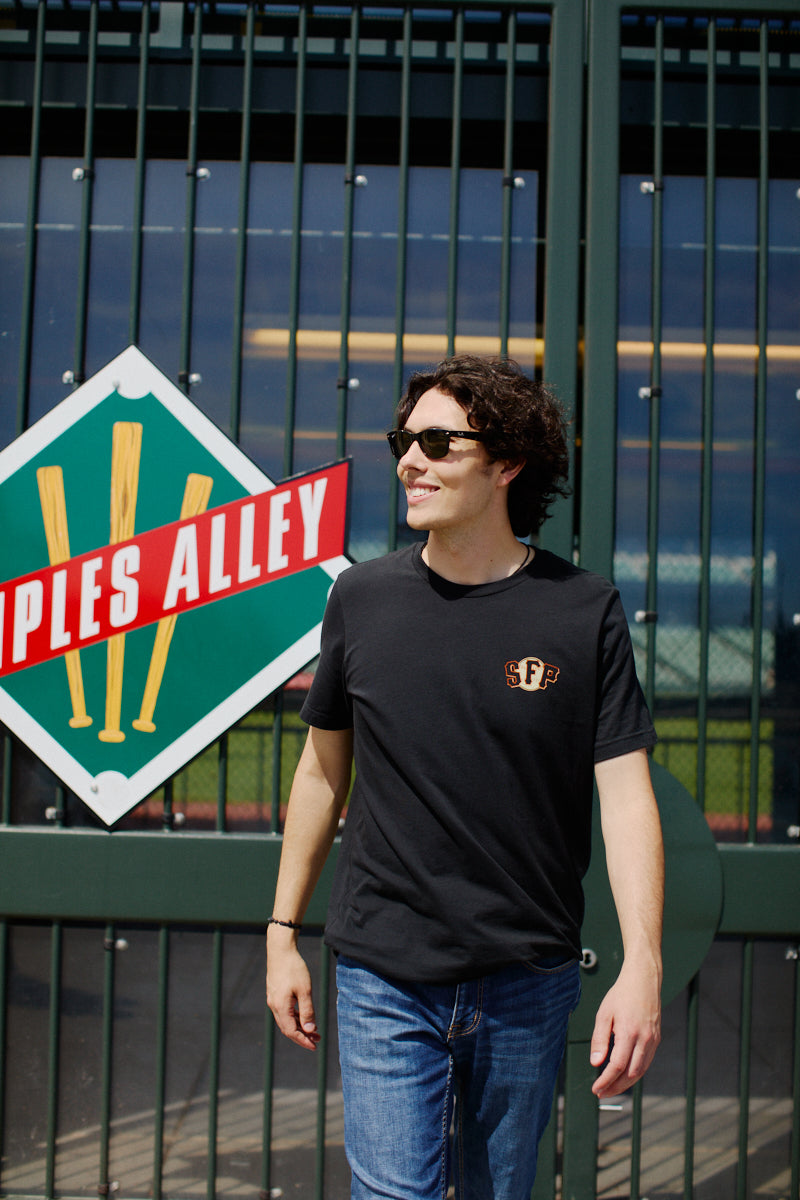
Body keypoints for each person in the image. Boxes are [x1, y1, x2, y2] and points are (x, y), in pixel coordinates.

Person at [266, 355, 664, 1200]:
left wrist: (644, 966)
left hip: (527, 975)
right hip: (382, 969)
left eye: (439, 443)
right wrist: (280, 933)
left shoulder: (582, 609)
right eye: (403, 441)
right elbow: (319, 773)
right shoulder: (362, 600)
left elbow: (627, 797)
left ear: (508, 462)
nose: (411, 460)